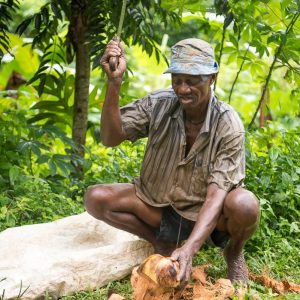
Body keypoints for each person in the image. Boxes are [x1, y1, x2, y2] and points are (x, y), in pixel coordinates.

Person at [84, 38, 260, 285]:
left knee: (245, 205)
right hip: (159, 206)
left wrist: (190, 250)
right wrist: (114, 83)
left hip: (208, 215)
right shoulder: (159, 104)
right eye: (177, 80)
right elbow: (111, 138)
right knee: (96, 198)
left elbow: (215, 196)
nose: (183, 89)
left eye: (192, 81)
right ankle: (161, 241)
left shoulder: (228, 124)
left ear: (212, 78)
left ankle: (233, 251)